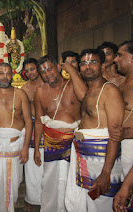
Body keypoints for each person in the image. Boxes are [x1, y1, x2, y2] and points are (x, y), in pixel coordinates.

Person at [65, 49, 124, 212]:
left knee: (100, 204)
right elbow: (80, 93)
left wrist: (106, 172)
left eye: (93, 62)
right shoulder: (90, 90)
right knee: (86, 203)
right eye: (83, 63)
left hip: (101, 162)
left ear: (103, 64)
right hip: (85, 159)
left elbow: (115, 135)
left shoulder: (110, 91)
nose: (87, 67)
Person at [33, 55, 82, 212]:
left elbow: (86, 102)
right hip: (51, 143)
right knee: (51, 182)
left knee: (72, 181)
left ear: (58, 67)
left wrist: (73, 71)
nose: (48, 74)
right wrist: (36, 149)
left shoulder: (74, 86)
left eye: (50, 69)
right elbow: (39, 121)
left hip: (74, 143)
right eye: (43, 72)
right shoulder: (40, 92)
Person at [0, 62, 32, 212]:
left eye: (8, 73)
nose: (5, 77)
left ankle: (9, 208)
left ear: (12, 75)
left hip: (16, 142)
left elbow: (29, 120)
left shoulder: (20, 94)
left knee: (14, 181)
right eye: (1, 73)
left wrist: (25, 148)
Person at [20, 58, 44, 211]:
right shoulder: (24, 89)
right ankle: (32, 198)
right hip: (32, 126)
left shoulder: (48, 83)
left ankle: (47, 197)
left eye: (32, 69)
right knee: (31, 167)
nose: (30, 73)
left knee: (48, 164)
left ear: (38, 69)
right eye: (27, 70)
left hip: (48, 126)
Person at [113, 41, 133, 177]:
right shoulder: (122, 83)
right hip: (119, 149)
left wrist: (126, 134)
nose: (115, 59)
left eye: (120, 55)